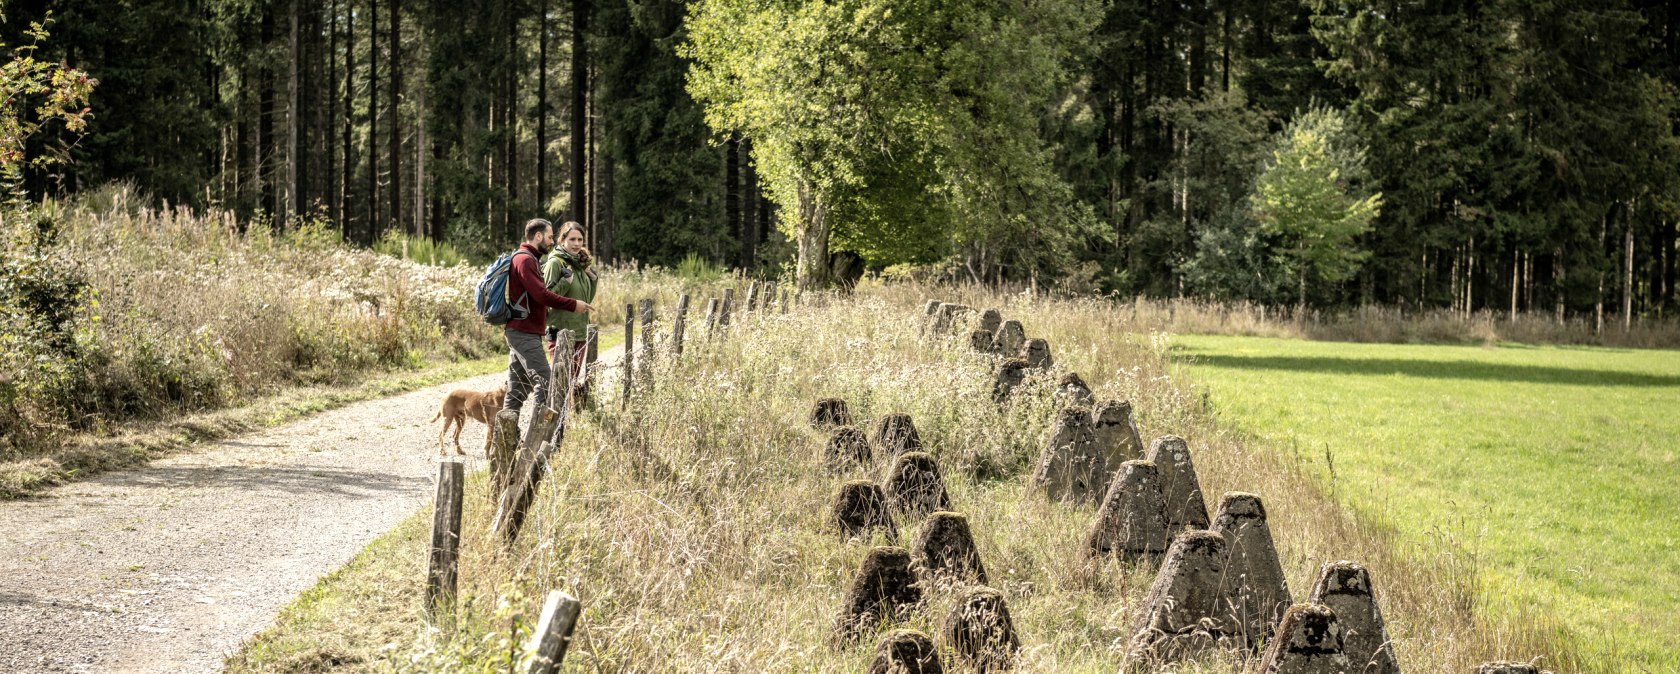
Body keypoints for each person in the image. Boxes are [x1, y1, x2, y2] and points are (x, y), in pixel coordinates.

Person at [503, 218, 592, 413]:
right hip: (523, 332)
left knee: (518, 390)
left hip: (525, 331)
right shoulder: (525, 259)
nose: (552, 241)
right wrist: (572, 304)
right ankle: (538, 438)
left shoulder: (529, 258)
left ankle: (505, 440)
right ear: (538, 236)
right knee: (546, 383)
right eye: (550, 237)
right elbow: (542, 295)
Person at [542, 221, 598, 384]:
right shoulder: (555, 263)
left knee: (571, 382)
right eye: (572, 239)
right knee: (559, 382)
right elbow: (546, 297)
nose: (577, 244)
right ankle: (552, 410)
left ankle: (567, 410)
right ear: (562, 240)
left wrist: (593, 279)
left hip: (580, 330)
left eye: (580, 240)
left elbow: (586, 300)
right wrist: (565, 282)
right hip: (560, 331)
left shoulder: (580, 265)